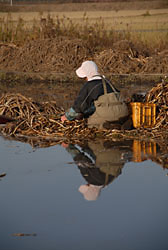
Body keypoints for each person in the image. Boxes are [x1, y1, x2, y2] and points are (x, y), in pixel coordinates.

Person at [61, 60, 129, 129]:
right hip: (123, 114)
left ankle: (106, 125)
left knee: (90, 123)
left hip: (108, 116)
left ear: (87, 75)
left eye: (85, 77)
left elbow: (79, 107)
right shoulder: (108, 82)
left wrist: (67, 116)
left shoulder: (90, 85)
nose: (85, 79)